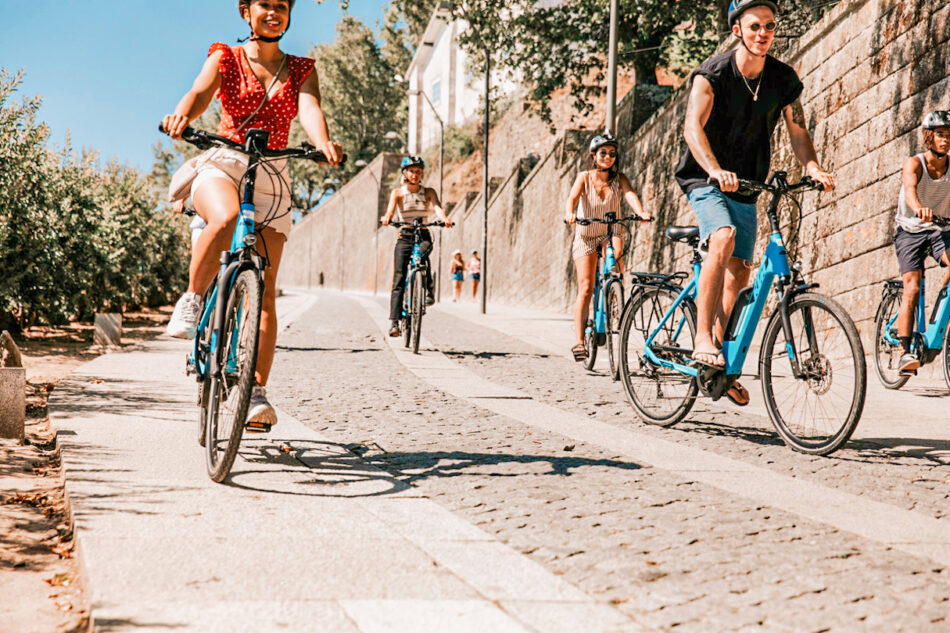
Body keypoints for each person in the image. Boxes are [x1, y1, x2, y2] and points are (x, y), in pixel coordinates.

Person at [161, 0, 342, 431]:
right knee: (224, 221)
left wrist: (324, 143)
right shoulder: (226, 55)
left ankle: (254, 391)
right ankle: (191, 299)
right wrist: (184, 115)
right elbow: (200, 91)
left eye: (282, 5)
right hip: (224, 161)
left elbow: (310, 109)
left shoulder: (301, 68)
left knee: (265, 289)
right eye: (265, 5)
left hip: (272, 172)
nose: (274, 12)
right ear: (247, 12)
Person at [674, 0, 834, 405]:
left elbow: (797, 130)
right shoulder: (713, 73)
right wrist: (712, 168)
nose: (763, 33)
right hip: (705, 177)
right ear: (737, 31)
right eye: (755, 26)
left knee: (741, 272)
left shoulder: (782, 78)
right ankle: (702, 337)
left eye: (769, 26)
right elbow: (692, 128)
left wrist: (812, 166)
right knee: (722, 237)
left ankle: (718, 362)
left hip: (747, 183)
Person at [565, 133, 651, 361]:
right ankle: (580, 342)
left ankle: (614, 296)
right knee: (585, 288)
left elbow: (630, 194)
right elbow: (572, 198)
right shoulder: (584, 177)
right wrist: (570, 213)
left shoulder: (619, 178)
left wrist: (641, 212)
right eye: (603, 153)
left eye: (612, 154)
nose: (608, 157)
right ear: (594, 155)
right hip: (586, 235)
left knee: (615, 258)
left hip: (610, 231)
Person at [893, 111, 950, 374]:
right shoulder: (914, 163)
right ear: (929, 136)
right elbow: (910, 190)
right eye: (940, 135)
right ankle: (904, 352)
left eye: (949, 136)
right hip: (911, 231)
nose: (945, 140)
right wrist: (919, 209)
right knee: (912, 289)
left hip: (940, 230)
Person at [380, 156, 453, 337]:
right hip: (404, 235)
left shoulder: (428, 192)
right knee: (398, 278)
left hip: (423, 233)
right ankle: (394, 322)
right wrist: (387, 218)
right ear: (405, 173)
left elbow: (437, 207)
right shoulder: (398, 193)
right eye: (412, 171)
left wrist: (444, 219)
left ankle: (428, 288)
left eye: (418, 171)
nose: (415, 174)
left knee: (422, 256)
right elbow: (390, 210)